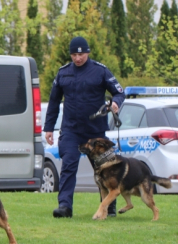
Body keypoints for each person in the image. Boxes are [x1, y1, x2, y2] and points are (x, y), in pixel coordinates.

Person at [44, 36, 125, 218]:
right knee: (69, 164)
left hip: (95, 130)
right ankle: (65, 206)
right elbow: (54, 101)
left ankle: (109, 206)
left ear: (87, 53)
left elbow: (119, 92)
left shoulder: (100, 71)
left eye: (81, 55)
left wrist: (115, 103)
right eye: (74, 55)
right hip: (71, 129)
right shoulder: (63, 73)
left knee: (105, 168)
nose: (77, 58)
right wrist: (49, 128)